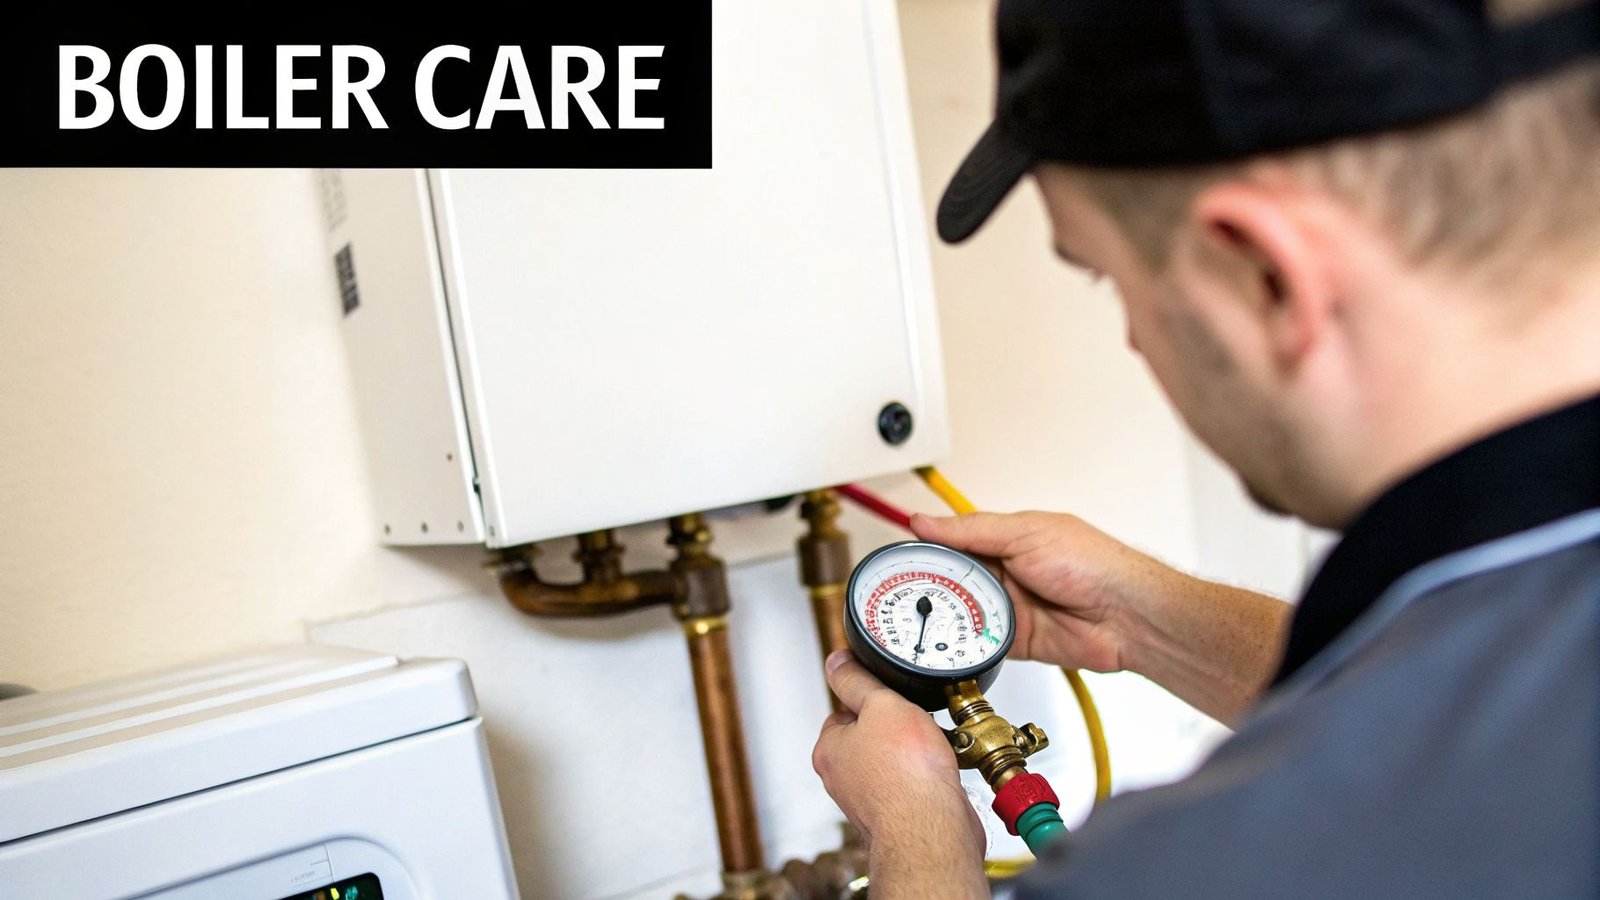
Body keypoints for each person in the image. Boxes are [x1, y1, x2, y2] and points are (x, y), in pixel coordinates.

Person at [810, 0, 1600, 896]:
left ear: (1267, 276)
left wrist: (917, 838)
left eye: (1110, 277)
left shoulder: (1211, 865)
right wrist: (1142, 618)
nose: (1138, 343)